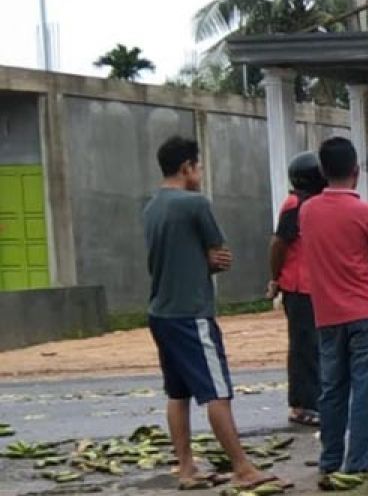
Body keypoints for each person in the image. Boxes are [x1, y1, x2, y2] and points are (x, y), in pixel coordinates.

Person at [142, 136, 284, 491]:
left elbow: (175, 256)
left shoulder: (151, 208)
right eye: (199, 166)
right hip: (191, 312)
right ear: (187, 167)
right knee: (217, 391)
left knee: (178, 393)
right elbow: (218, 253)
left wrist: (203, 261)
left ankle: (187, 468)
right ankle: (242, 468)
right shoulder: (194, 204)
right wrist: (212, 262)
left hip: (160, 311)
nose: (201, 172)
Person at [300, 137, 368, 479]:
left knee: (332, 389)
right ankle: (358, 461)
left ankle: (330, 460)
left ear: (324, 171)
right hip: (365, 311)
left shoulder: (307, 212)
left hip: (326, 314)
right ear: (356, 171)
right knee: (367, 388)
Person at [267, 151, 326, 427]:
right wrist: (275, 278)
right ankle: (302, 405)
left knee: (317, 346)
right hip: (299, 287)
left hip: (318, 287)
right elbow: (279, 244)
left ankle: (319, 399)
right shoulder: (294, 204)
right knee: (303, 347)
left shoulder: (317, 204)